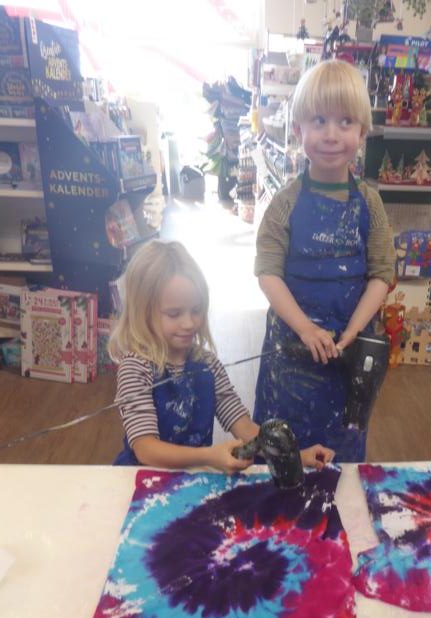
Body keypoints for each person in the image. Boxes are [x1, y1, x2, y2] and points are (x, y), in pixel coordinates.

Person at [253, 59, 395, 462]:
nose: (331, 135)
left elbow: (382, 274)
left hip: (349, 354)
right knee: (285, 455)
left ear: (362, 133)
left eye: (345, 122)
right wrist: (305, 328)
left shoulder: (370, 203)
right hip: (290, 352)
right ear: (298, 131)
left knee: (342, 457)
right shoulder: (284, 204)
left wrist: (353, 331)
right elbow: (268, 272)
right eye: (319, 121)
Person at [109, 240, 334, 472]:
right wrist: (208, 456)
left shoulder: (207, 364)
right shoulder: (135, 368)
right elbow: (146, 449)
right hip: (141, 479)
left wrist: (295, 456)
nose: (189, 323)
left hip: (193, 477)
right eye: (174, 314)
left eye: (196, 310)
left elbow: (243, 426)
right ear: (142, 312)